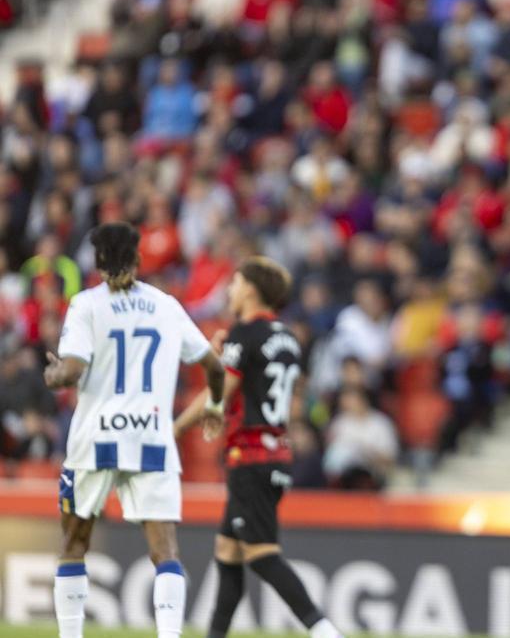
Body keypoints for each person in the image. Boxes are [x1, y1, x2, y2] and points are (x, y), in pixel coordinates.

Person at [45, 222, 227, 638]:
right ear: (139, 260)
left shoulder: (87, 304)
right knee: (164, 550)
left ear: (97, 264)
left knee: (74, 543)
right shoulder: (165, 305)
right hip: (151, 438)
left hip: (95, 439)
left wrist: (53, 373)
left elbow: (71, 370)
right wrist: (214, 406)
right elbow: (214, 367)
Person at [175, 256, 342, 638]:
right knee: (228, 552)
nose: (229, 291)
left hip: (250, 457)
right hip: (274, 452)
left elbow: (225, 389)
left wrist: (176, 427)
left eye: (233, 283)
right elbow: (250, 382)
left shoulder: (244, 333)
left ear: (250, 289)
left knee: (262, 556)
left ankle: (325, 631)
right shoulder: (287, 338)